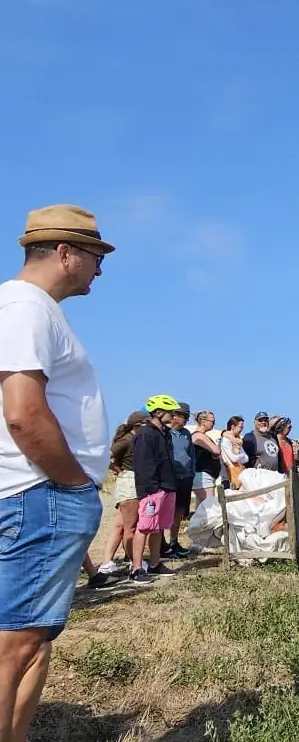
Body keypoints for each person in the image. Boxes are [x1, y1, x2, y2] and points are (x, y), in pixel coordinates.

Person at [0, 204, 114, 742]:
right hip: (41, 494)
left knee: (32, 639)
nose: (99, 270)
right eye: (95, 256)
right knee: (17, 645)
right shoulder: (26, 307)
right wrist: (72, 484)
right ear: (66, 253)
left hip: (38, 493)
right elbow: (23, 413)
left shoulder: (29, 309)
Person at [130, 395, 181, 584]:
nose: (174, 416)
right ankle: (136, 569)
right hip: (153, 489)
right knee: (144, 527)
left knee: (157, 528)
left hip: (167, 486)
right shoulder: (145, 434)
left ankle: (154, 563)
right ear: (159, 413)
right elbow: (142, 464)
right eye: (171, 413)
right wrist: (152, 488)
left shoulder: (164, 433)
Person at [99, 410, 151, 575]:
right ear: (138, 425)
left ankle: (108, 561)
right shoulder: (128, 440)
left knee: (120, 526)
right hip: (130, 482)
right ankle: (134, 560)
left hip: (128, 481)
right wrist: (118, 470)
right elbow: (107, 456)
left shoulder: (134, 439)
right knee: (131, 527)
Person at [163, 402, 196, 559]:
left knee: (179, 512)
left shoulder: (187, 434)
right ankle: (162, 544)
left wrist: (191, 472)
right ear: (175, 416)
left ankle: (174, 542)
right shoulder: (165, 433)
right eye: (184, 416)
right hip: (170, 479)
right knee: (165, 512)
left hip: (185, 478)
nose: (186, 420)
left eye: (187, 417)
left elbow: (191, 454)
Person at [189, 410, 222, 509]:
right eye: (212, 421)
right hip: (202, 476)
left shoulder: (203, 436)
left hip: (205, 475)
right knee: (209, 506)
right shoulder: (199, 436)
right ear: (203, 421)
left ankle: (198, 524)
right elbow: (216, 451)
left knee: (202, 507)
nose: (214, 424)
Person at [219, 416, 246, 487]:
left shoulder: (238, 441)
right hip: (228, 477)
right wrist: (242, 455)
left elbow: (246, 459)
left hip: (239, 474)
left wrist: (241, 456)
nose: (242, 430)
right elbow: (233, 458)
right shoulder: (225, 440)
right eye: (240, 427)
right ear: (233, 426)